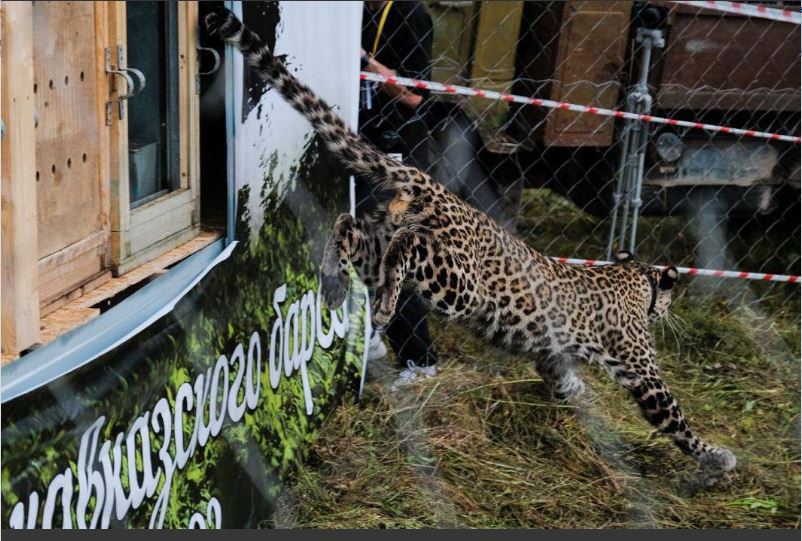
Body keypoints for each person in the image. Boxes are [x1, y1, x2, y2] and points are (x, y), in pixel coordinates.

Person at [358, 1, 438, 386]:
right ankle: (370, 335)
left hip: (400, 152)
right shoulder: (355, 12)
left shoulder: (411, 14)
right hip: (365, 146)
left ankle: (419, 359)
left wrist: (366, 62)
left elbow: (414, 95)